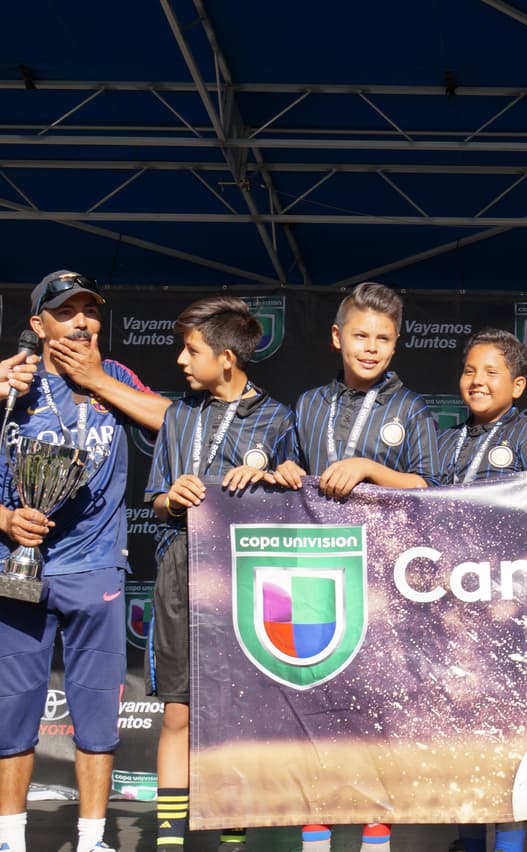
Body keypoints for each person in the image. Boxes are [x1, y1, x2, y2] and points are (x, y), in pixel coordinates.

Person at [0, 270, 169, 852]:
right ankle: (11, 839)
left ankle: (93, 838)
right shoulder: (12, 381)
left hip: (95, 566)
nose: (81, 321)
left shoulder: (115, 375)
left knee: (97, 709)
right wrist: (5, 521)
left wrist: (97, 379)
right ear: (38, 323)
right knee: (13, 709)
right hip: (18, 565)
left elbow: (174, 422)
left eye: (90, 311)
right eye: (66, 311)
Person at [271, 281, 438, 852]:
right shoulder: (308, 404)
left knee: (376, 706)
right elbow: (290, 470)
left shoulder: (411, 409)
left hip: (385, 576)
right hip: (315, 571)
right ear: (337, 338)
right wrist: (286, 471)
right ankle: (315, 832)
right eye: (361, 336)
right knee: (314, 700)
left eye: (382, 339)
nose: (370, 348)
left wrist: (369, 468)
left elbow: (432, 489)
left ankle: (376, 834)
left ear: (396, 345)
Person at [146, 296, 296, 851]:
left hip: (246, 577)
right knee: (178, 713)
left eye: (192, 351)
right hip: (182, 571)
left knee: (236, 712)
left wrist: (274, 479)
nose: (181, 361)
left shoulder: (280, 419)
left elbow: (296, 499)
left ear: (227, 358)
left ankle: (233, 843)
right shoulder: (178, 415)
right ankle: (168, 843)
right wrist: (172, 497)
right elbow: (155, 502)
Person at [440, 329, 527, 852]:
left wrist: (515, 583)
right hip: (453, 606)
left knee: (508, 726)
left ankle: (510, 844)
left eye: (491, 373)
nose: (477, 381)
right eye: (470, 370)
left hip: (512, 609)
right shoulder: (446, 441)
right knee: (464, 722)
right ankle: (470, 840)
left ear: (517, 386)